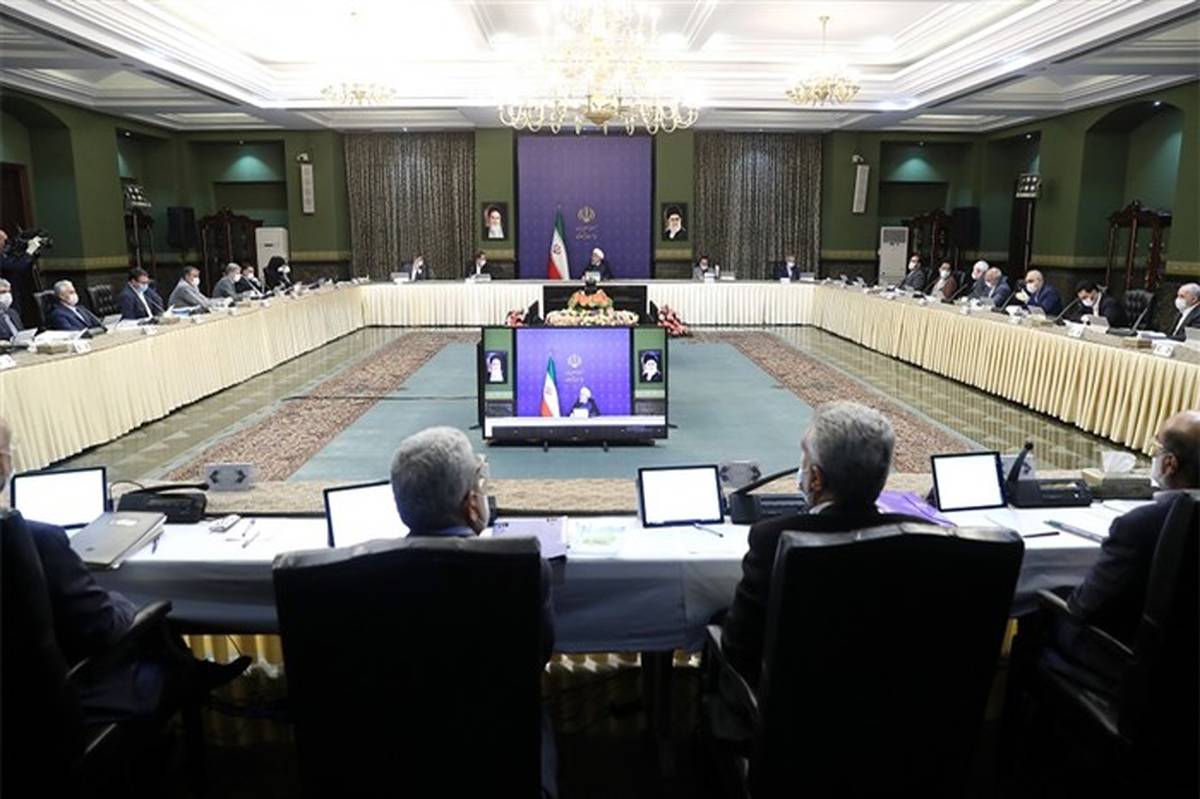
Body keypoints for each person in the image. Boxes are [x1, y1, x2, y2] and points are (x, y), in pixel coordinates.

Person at [0, 416, 251, 722]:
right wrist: (124, 601)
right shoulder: (37, 540)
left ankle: (194, 673)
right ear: (2, 463)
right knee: (154, 620)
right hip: (62, 703)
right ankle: (191, 681)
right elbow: (101, 627)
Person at [388, 426, 557, 797]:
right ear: (472, 504)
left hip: (399, 754)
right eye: (480, 484)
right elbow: (537, 656)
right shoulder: (526, 568)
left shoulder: (367, 573)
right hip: (502, 754)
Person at [720, 401, 924, 687]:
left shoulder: (771, 538)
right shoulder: (920, 534)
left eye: (804, 456)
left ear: (815, 478)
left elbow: (738, 648)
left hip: (792, 705)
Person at [1067, 409, 1200, 645]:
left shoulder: (1138, 526)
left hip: (1127, 653)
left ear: (1170, 464)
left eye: (1157, 449)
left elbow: (1087, 606)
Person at [0, 227, 43, 324]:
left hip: (17, 293)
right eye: (3, 240)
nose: (6, 243)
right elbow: (16, 266)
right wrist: (29, 253)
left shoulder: (5, 254)